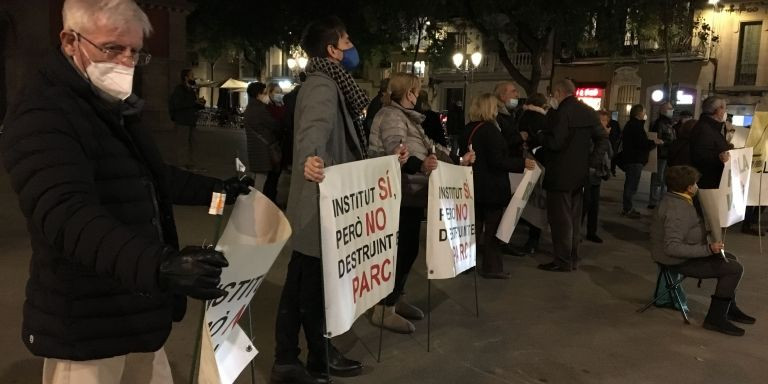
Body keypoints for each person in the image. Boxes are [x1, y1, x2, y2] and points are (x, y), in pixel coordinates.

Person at [0, 1, 253, 382]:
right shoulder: (43, 113)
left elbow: (148, 176)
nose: (126, 61)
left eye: (135, 51)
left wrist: (218, 191)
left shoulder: (111, 106)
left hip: (138, 310)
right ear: (70, 41)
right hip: (85, 326)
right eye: (113, 48)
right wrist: (162, 265)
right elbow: (66, 216)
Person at [272, 16, 402, 383]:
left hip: (323, 201)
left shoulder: (331, 83)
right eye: (346, 41)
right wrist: (311, 157)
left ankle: (291, 357)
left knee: (301, 285)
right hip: (320, 204)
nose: (351, 47)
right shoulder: (323, 86)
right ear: (332, 50)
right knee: (311, 287)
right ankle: (314, 355)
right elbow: (314, 130)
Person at [368, 72, 470, 331]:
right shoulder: (392, 115)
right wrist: (420, 164)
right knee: (399, 252)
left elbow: (431, 147)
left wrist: (458, 162)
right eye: (415, 90)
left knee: (408, 249)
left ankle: (395, 299)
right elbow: (397, 149)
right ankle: (384, 308)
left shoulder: (408, 118)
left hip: (411, 194)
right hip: (397, 193)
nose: (418, 94)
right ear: (407, 92)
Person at [650, 165, 755, 336]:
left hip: (681, 254)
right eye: (696, 183)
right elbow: (672, 247)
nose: (698, 187)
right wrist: (708, 249)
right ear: (689, 187)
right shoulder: (677, 210)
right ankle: (715, 319)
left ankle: (728, 308)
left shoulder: (677, 199)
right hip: (675, 260)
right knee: (734, 268)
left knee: (731, 258)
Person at [535, 79, 608, 272]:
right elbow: (602, 138)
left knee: (560, 220)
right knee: (575, 219)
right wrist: (592, 162)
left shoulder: (560, 113)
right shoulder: (587, 111)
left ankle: (562, 260)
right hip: (580, 174)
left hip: (559, 173)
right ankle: (572, 256)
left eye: (552, 94)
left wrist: (540, 136)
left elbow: (556, 143)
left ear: (558, 92)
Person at [460, 93, 534, 279]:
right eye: (494, 106)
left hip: (472, 185)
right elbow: (497, 160)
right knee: (493, 229)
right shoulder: (490, 130)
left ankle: (466, 263)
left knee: (473, 227)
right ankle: (492, 267)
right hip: (491, 186)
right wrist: (521, 163)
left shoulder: (468, 128)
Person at [505, 93, 549, 256]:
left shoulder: (520, 116)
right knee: (535, 203)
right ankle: (533, 239)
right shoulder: (542, 120)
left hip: (520, 162)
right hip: (535, 163)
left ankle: (507, 236)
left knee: (518, 200)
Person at [619, 104, 661, 218]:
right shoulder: (635, 126)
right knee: (631, 185)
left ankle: (628, 207)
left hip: (632, 159)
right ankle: (627, 208)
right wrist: (654, 143)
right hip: (634, 160)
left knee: (631, 184)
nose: (645, 114)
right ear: (639, 113)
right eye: (644, 112)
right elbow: (641, 143)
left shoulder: (632, 125)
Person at [244, 82, 282, 203]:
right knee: (261, 180)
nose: (266, 95)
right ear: (258, 94)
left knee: (258, 178)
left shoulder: (250, 108)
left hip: (255, 148)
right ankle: (255, 207)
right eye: (264, 93)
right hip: (263, 149)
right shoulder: (259, 109)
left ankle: (254, 204)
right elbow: (274, 125)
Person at [582, 110, 614, 243]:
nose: (602, 123)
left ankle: (591, 232)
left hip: (597, 176)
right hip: (587, 174)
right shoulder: (589, 136)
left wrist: (606, 138)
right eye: (600, 120)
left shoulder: (603, 137)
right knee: (584, 205)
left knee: (594, 206)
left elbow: (611, 153)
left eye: (605, 120)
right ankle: (576, 232)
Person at [690, 96, 730, 190]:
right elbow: (700, 155)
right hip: (708, 182)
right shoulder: (704, 128)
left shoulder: (711, 127)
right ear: (718, 111)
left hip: (713, 180)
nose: (725, 112)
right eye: (724, 108)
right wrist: (719, 157)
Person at [169, 68, 205, 171]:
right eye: (192, 75)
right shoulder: (179, 89)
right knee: (182, 143)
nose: (194, 77)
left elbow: (194, 104)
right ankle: (182, 165)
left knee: (194, 143)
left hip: (191, 120)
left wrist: (201, 104)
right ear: (186, 77)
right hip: (182, 121)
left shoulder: (192, 90)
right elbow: (178, 104)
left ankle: (192, 164)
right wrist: (194, 103)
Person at [648, 102, 676, 209]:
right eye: (669, 108)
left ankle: (661, 200)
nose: (671, 110)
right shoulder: (659, 123)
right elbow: (658, 139)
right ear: (663, 110)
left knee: (664, 179)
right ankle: (653, 201)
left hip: (667, 155)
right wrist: (667, 143)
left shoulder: (669, 123)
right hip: (660, 155)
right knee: (657, 178)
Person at [494, 81, 524, 157]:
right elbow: (498, 143)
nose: (517, 95)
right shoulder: (495, 116)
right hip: (505, 163)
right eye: (513, 91)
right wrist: (520, 137)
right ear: (502, 96)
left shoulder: (511, 114)